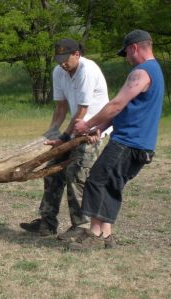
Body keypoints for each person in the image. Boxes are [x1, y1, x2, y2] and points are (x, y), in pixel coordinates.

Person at [69, 29, 164, 250]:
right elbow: (130, 110)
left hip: (127, 142)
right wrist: (101, 127)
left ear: (135, 48)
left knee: (96, 180)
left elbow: (116, 105)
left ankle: (93, 234)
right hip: (143, 144)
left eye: (127, 54)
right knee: (112, 185)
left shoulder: (141, 72)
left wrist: (87, 124)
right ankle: (106, 235)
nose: (127, 59)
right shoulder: (156, 71)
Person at [19, 38, 111, 241]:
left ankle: (81, 226)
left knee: (76, 173)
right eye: (58, 58)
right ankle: (47, 223)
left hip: (93, 130)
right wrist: (51, 133)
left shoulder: (87, 70)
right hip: (75, 129)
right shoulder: (58, 72)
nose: (62, 63)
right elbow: (61, 108)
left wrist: (64, 137)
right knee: (51, 170)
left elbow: (82, 111)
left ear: (77, 54)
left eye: (65, 58)